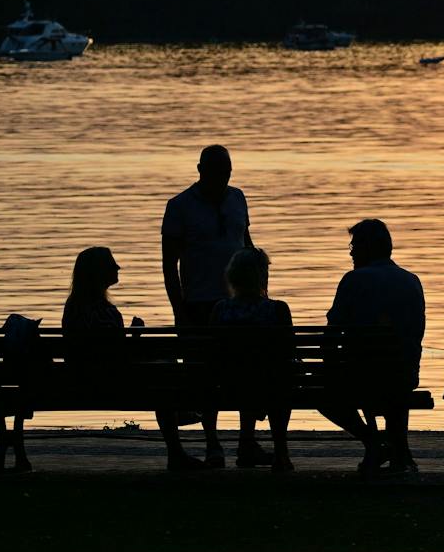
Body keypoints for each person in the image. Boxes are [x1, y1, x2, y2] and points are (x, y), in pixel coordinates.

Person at [62, 246, 204, 471]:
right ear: (98, 272)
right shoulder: (102, 310)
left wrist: (130, 339)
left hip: (81, 380)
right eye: (111, 264)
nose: (118, 267)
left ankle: (179, 416)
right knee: (164, 375)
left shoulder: (74, 307)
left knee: (163, 361)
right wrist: (135, 336)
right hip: (107, 383)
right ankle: (177, 431)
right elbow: (115, 356)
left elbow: (104, 351)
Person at [161, 144, 252, 465]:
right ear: (200, 171)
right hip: (199, 303)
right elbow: (169, 265)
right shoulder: (180, 207)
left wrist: (259, 292)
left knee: (247, 373)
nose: (221, 179)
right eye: (215, 172)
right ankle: (213, 442)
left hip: (241, 303)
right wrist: (179, 310)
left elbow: (247, 246)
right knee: (205, 378)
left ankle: (247, 441)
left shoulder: (238, 198)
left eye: (226, 172)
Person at [319, 219, 425, 474]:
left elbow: (332, 333)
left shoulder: (354, 280)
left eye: (355, 245)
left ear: (368, 247)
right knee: (391, 375)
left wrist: (331, 360)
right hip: (404, 374)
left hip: (363, 374)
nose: (351, 251)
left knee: (323, 390)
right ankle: (399, 454)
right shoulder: (412, 280)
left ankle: (374, 442)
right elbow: (416, 332)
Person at [209, 247, 295, 473]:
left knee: (245, 373)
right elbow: (289, 353)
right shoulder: (277, 310)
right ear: (261, 276)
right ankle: (281, 453)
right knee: (278, 377)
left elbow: (213, 355)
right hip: (270, 385)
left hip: (227, 387)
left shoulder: (220, 310)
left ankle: (244, 446)